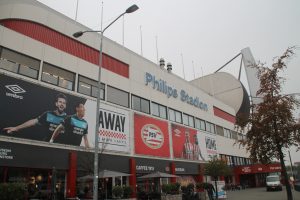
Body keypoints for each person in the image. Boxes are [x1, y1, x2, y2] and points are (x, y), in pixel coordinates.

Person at [3, 93, 67, 141]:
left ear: (65, 106)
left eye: (64, 103)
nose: (62, 104)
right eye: (60, 102)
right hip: (46, 144)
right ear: (56, 103)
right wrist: (16, 128)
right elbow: (33, 122)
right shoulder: (48, 114)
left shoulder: (67, 118)